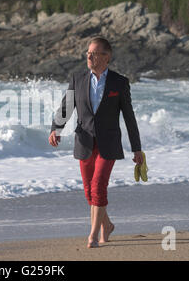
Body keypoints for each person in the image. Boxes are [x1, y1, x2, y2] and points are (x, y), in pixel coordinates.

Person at [48, 37, 143, 248]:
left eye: (94, 53)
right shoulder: (78, 78)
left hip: (108, 144)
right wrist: (56, 128)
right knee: (89, 191)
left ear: (106, 57)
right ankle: (107, 225)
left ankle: (92, 235)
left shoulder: (119, 82)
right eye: (88, 53)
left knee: (99, 186)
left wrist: (137, 148)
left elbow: (129, 117)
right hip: (84, 142)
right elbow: (66, 107)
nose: (89, 56)